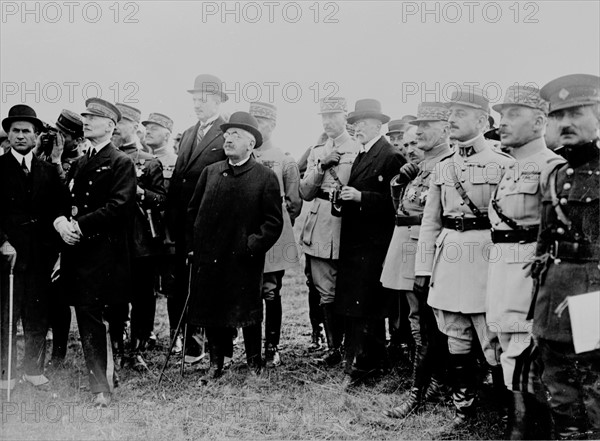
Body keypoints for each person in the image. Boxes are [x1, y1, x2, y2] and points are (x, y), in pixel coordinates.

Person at [414, 86, 514, 427]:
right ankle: (464, 411)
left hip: (487, 261)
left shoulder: (502, 164)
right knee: (455, 336)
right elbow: (430, 221)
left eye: (460, 113)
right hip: (450, 260)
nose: (451, 119)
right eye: (450, 113)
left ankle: (505, 413)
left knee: (494, 339)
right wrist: (423, 267)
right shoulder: (445, 166)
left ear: (483, 121)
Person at [486, 86, 562, 439]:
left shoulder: (552, 167)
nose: (503, 123)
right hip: (503, 274)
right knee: (509, 355)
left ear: (539, 122)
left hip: (530, 278)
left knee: (528, 360)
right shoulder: (511, 168)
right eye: (502, 115)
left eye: (514, 115)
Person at [186, 111, 283, 382]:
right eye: (227, 135)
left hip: (244, 259)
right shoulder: (211, 173)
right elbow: (193, 212)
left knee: (249, 312)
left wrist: (251, 246)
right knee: (214, 310)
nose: (228, 139)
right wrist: (197, 246)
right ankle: (215, 364)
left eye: (236, 135)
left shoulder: (265, 177)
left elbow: (273, 222)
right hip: (212, 257)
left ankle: (255, 363)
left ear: (251, 144)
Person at [54, 98, 136, 407]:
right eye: (85, 116)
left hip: (105, 252)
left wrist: (80, 226)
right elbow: (65, 199)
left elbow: (119, 206)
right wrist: (62, 222)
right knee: (87, 313)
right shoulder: (79, 161)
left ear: (111, 126)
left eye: (94, 117)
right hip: (79, 250)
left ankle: (102, 385)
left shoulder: (120, 162)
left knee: (95, 314)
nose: (86, 121)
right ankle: (102, 380)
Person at [531, 74, 600, 439]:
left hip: (594, 294)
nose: (566, 123)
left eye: (576, 112)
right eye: (558, 116)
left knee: (594, 384)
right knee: (557, 383)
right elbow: (544, 242)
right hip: (554, 291)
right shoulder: (554, 173)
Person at [382, 102, 453, 418]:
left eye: (428, 125)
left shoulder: (448, 162)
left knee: (428, 319)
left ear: (445, 129)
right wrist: (399, 182)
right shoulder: (421, 164)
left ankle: (429, 386)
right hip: (406, 243)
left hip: (429, 248)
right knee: (416, 318)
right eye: (418, 124)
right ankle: (428, 384)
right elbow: (403, 208)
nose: (419, 131)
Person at [335, 98, 405, 388]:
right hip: (355, 243)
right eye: (354, 124)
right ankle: (360, 360)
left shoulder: (389, 156)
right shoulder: (363, 154)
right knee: (358, 304)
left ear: (377, 125)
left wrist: (361, 198)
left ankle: (369, 365)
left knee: (372, 306)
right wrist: (342, 200)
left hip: (374, 245)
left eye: (361, 123)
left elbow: (396, 205)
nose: (356, 128)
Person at [0, 104, 68, 390]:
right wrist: (2, 241)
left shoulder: (48, 171)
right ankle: (7, 374)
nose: (19, 136)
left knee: (37, 316)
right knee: (6, 315)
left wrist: (55, 248)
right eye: (14, 131)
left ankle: (32, 370)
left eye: (26, 131)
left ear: (36, 135)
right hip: (6, 257)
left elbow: (60, 208)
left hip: (40, 256)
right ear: (8, 134)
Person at [166, 74, 228, 363]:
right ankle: (190, 345)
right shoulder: (189, 133)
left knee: (209, 286)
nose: (197, 104)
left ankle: (212, 347)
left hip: (212, 220)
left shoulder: (226, 131)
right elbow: (179, 178)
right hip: (184, 222)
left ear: (217, 100)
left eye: (202, 98)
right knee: (183, 284)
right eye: (194, 99)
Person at [299, 97, 360, 366]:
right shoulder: (317, 151)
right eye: (324, 116)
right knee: (325, 289)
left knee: (350, 286)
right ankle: (333, 347)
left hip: (349, 221)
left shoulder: (358, 148)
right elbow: (305, 192)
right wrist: (322, 165)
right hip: (322, 221)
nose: (328, 121)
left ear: (345, 117)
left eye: (333, 115)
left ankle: (352, 347)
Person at [249, 102, 302, 367]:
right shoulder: (242, 154)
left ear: (273, 125)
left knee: (271, 289)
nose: (257, 127)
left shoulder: (284, 158)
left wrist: (278, 224)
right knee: (248, 288)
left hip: (275, 230)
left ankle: (272, 346)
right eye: (253, 121)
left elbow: (294, 202)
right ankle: (250, 348)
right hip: (247, 229)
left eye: (262, 121)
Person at [115, 103, 167, 370]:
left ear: (134, 127)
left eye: (121, 122)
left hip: (140, 242)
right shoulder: (103, 157)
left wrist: (141, 193)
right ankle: (115, 347)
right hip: (111, 239)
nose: (115, 127)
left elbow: (162, 199)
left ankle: (136, 349)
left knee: (143, 298)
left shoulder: (149, 161)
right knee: (114, 296)